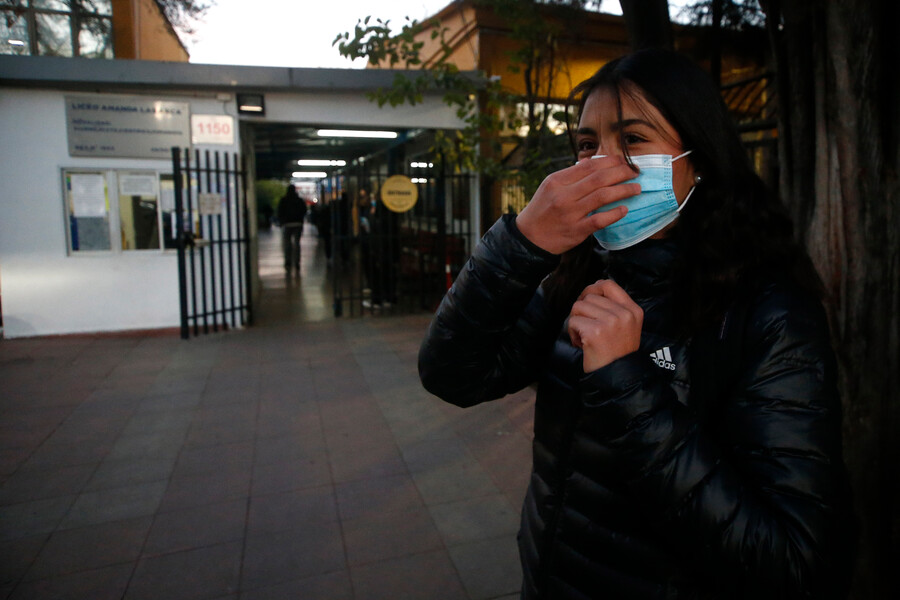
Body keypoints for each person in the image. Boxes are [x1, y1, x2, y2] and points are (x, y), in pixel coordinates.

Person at [418, 49, 853, 599]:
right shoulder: (576, 275)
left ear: (700, 159)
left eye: (633, 140)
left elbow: (794, 563)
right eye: (586, 146)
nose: (602, 164)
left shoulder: (766, 312)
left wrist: (625, 381)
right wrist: (521, 244)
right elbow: (452, 374)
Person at [277, 184, 307, 273]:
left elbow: (280, 211)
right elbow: (304, 210)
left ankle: (288, 262)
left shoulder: (284, 200)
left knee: (287, 243)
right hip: (298, 223)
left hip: (287, 224)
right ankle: (297, 262)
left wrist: (282, 221)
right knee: (297, 243)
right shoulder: (299, 200)